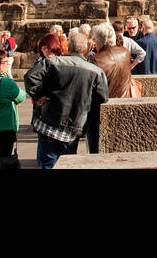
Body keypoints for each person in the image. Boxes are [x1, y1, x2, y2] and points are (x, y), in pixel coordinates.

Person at [24, 31, 109, 168]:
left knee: (48, 162)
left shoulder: (51, 63)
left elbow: (30, 77)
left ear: (68, 47)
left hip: (48, 120)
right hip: (74, 123)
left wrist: (39, 95)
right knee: (68, 163)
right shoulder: (96, 72)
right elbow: (103, 98)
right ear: (86, 50)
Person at [86, 23, 142, 152]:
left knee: (97, 146)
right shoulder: (125, 53)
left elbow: (91, 87)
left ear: (99, 40)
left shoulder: (97, 60)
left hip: (101, 108)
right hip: (123, 102)